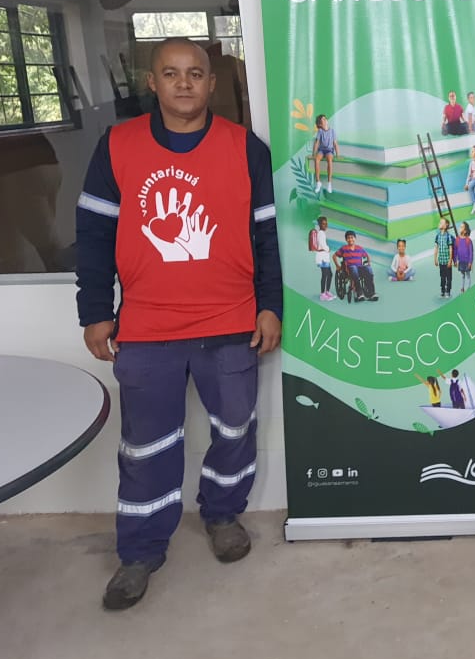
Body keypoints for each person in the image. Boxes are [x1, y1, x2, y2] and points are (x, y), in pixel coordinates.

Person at [75, 37, 282, 611]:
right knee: (146, 447)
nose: (184, 83)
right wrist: (95, 311)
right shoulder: (117, 146)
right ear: (153, 82)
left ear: (212, 83)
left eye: (195, 73)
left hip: (231, 323)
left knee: (235, 430)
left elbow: (267, 236)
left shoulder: (246, 149)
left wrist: (270, 305)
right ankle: (140, 551)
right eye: (171, 73)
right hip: (146, 328)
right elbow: (93, 235)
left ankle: (223, 515)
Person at [333, 230, 378, 302]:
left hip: (359, 268)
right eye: (348, 238)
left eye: (352, 237)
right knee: (354, 268)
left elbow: (367, 256)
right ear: (346, 239)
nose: (350, 239)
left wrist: (368, 264)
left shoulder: (359, 248)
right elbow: (334, 256)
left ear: (355, 238)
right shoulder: (344, 248)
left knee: (368, 269)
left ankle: (372, 293)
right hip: (349, 269)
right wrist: (337, 266)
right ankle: (359, 292)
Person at [312, 114, 337, 194]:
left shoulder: (332, 131)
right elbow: (317, 143)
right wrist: (313, 153)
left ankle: (329, 183)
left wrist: (338, 154)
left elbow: (335, 143)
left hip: (329, 150)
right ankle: (318, 182)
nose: (325, 119)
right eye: (323, 119)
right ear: (320, 124)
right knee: (317, 159)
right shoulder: (320, 131)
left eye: (325, 118)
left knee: (329, 159)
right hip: (321, 150)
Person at [433, 217, 455, 298]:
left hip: (447, 261)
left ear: (446, 225)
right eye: (439, 222)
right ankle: (442, 290)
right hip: (441, 261)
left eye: (441, 223)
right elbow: (436, 248)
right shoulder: (437, 236)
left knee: (449, 277)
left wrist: (450, 260)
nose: (439, 224)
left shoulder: (448, 236)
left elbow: (450, 249)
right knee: (442, 277)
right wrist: (435, 259)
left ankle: (448, 291)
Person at [313, 216, 334, 300]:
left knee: (330, 274)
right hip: (322, 258)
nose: (325, 225)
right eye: (323, 224)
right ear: (319, 224)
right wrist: (328, 249)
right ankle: (322, 294)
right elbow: (323, 244)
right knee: (325, 275)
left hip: (325, 257)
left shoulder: (322, 233)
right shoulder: (321, 233)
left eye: (326, 223)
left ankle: (327, 291)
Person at [454, 221, 474, 294]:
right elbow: (455, 250)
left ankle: (468, 288)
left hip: (467, 262)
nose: (460, 228)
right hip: (461, 261)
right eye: (460, 226)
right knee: (462, 275)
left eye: (462, 227)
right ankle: (462, 288)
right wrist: (455, 260)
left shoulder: (468, 240)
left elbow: (471, 252)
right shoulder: (457, 239)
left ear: (465, 231)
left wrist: (470, 262)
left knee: (468, 275)